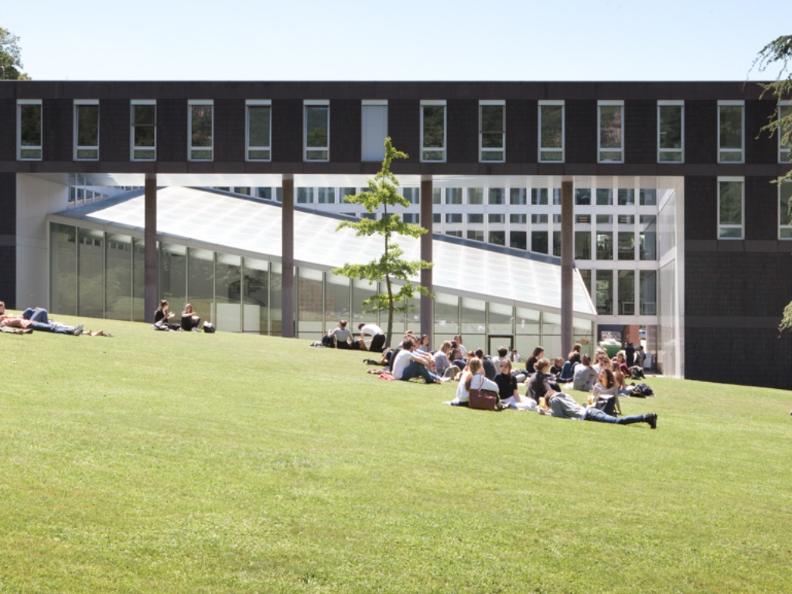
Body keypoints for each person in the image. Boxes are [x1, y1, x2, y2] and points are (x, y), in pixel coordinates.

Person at [542, 386, 657, 429]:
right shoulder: (564, 395)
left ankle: (646, 417)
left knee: (618, 421)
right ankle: (647, 418)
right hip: (590, 411)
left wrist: (546, 413)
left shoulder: (553, 400)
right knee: (617, 420)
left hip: (589, 415)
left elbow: (559, 416)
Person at [0, 301, 83, 336]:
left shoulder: (4, 319)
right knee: (51, 328)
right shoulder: (3, 321)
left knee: (51, 327)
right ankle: (72, 331)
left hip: (29, 322)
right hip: (29, 324)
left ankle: (73, 330)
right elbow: (6, 327)